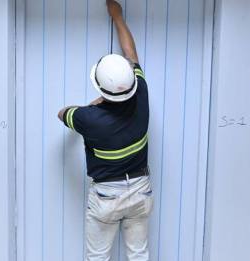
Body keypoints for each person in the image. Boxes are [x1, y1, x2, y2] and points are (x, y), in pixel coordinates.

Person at [57, 1, 152, 260]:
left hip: (106, 197)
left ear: (101, 89)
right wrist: (118, 17)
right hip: (140, 190)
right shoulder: (141, 94)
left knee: (97, 258)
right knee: (139, 255)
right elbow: (131, 54)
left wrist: (93, 104)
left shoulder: (89, 118)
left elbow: (62, 113)